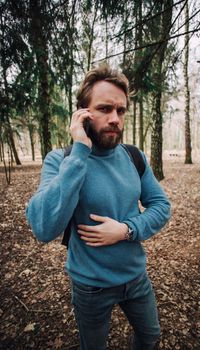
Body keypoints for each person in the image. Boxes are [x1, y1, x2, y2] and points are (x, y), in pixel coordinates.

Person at [26, 65, 171, 350]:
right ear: (83, 112)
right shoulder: (60, 160)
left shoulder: (134, 157)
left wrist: (127, 230)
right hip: (90, 286)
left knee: (150, 337)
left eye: (121, 110)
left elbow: (161, 206)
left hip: (136, 278)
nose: (115, 119)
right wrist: (80, 151)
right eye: (105, 109)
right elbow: (43, 227)